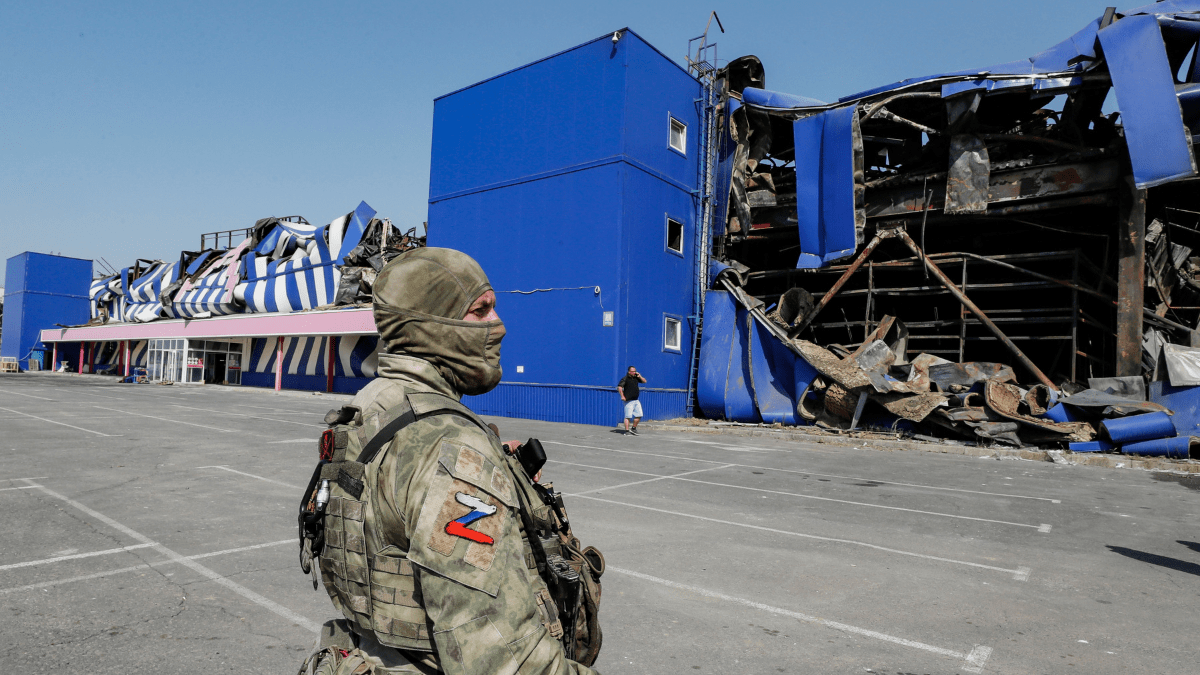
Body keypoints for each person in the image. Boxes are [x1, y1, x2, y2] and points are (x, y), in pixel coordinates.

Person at [299, 247, 602, 675]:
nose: (498, 326)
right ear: (431, 327)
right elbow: (504, 663)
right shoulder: (450, 446)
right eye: (480, 311)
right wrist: (471, 469)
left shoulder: (372, 408)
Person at [617, 366, 646, 435]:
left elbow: (644, 381)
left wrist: (640, 376)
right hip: (628, 401)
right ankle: (627, 431)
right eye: (632, 371)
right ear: (629, 372)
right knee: (628, 416)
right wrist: (622, 396)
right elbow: (620, 387)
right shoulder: (625, 378)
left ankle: (633, 428)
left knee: (639, 415)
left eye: (634, 371)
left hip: (636, 400)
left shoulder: (636, 377)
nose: (634, 373)